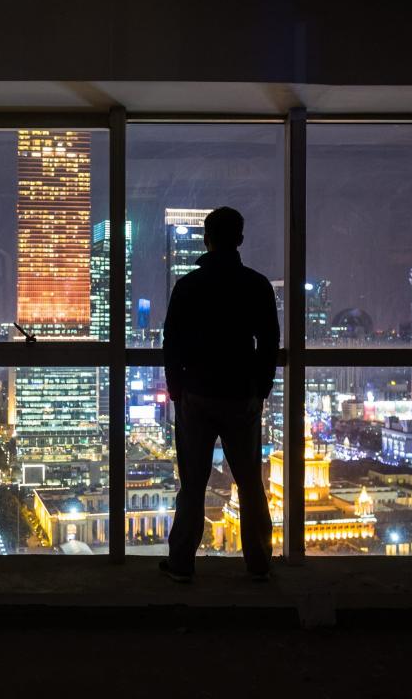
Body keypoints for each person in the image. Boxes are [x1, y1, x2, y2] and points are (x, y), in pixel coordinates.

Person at [159, 206, 279, 583]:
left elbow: (171, 341)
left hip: (196, 393)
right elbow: (270, 341)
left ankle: (181, 562)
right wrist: (261, 385)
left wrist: (176, 385)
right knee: (249, 482)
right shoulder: (256, 285)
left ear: (206, 239)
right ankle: (259, 562)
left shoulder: (188, 285)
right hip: (241, 394)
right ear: (240, 239)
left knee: (193, 484)